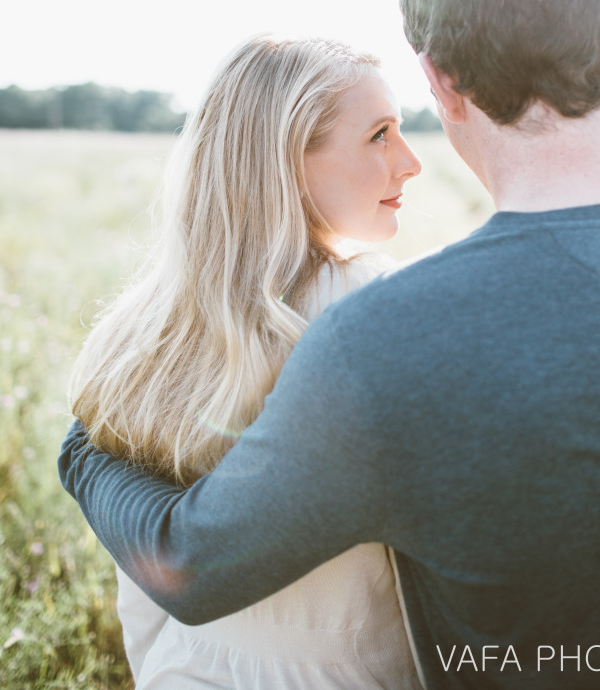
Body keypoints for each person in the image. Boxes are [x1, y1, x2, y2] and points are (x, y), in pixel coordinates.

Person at [60, 0, 600, 689]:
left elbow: (194, 565)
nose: (405, 162)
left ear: (439, 79)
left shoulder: (387, 336)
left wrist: (83, 455)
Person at [66, 34, 423, 689]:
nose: (410, 162)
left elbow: (143, 590)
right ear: (286, 160)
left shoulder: (138, 331)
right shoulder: (377, 312)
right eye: (379, 135)